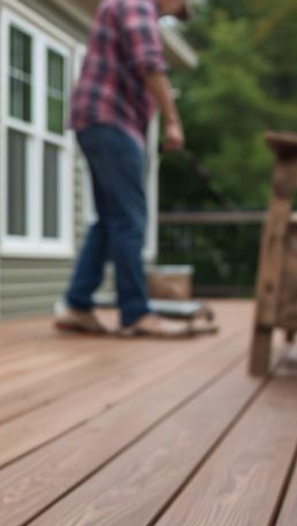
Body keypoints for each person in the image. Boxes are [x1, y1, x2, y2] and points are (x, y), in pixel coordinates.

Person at [55, 0, 194, 337]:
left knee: (108, 220)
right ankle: (135, 313)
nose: (168, 15)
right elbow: (149, 61)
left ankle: (77, 304)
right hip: (112, 120)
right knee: (130, 219)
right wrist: (172, 121)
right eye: (175, 10)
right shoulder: (136, 3)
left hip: (96, 120)